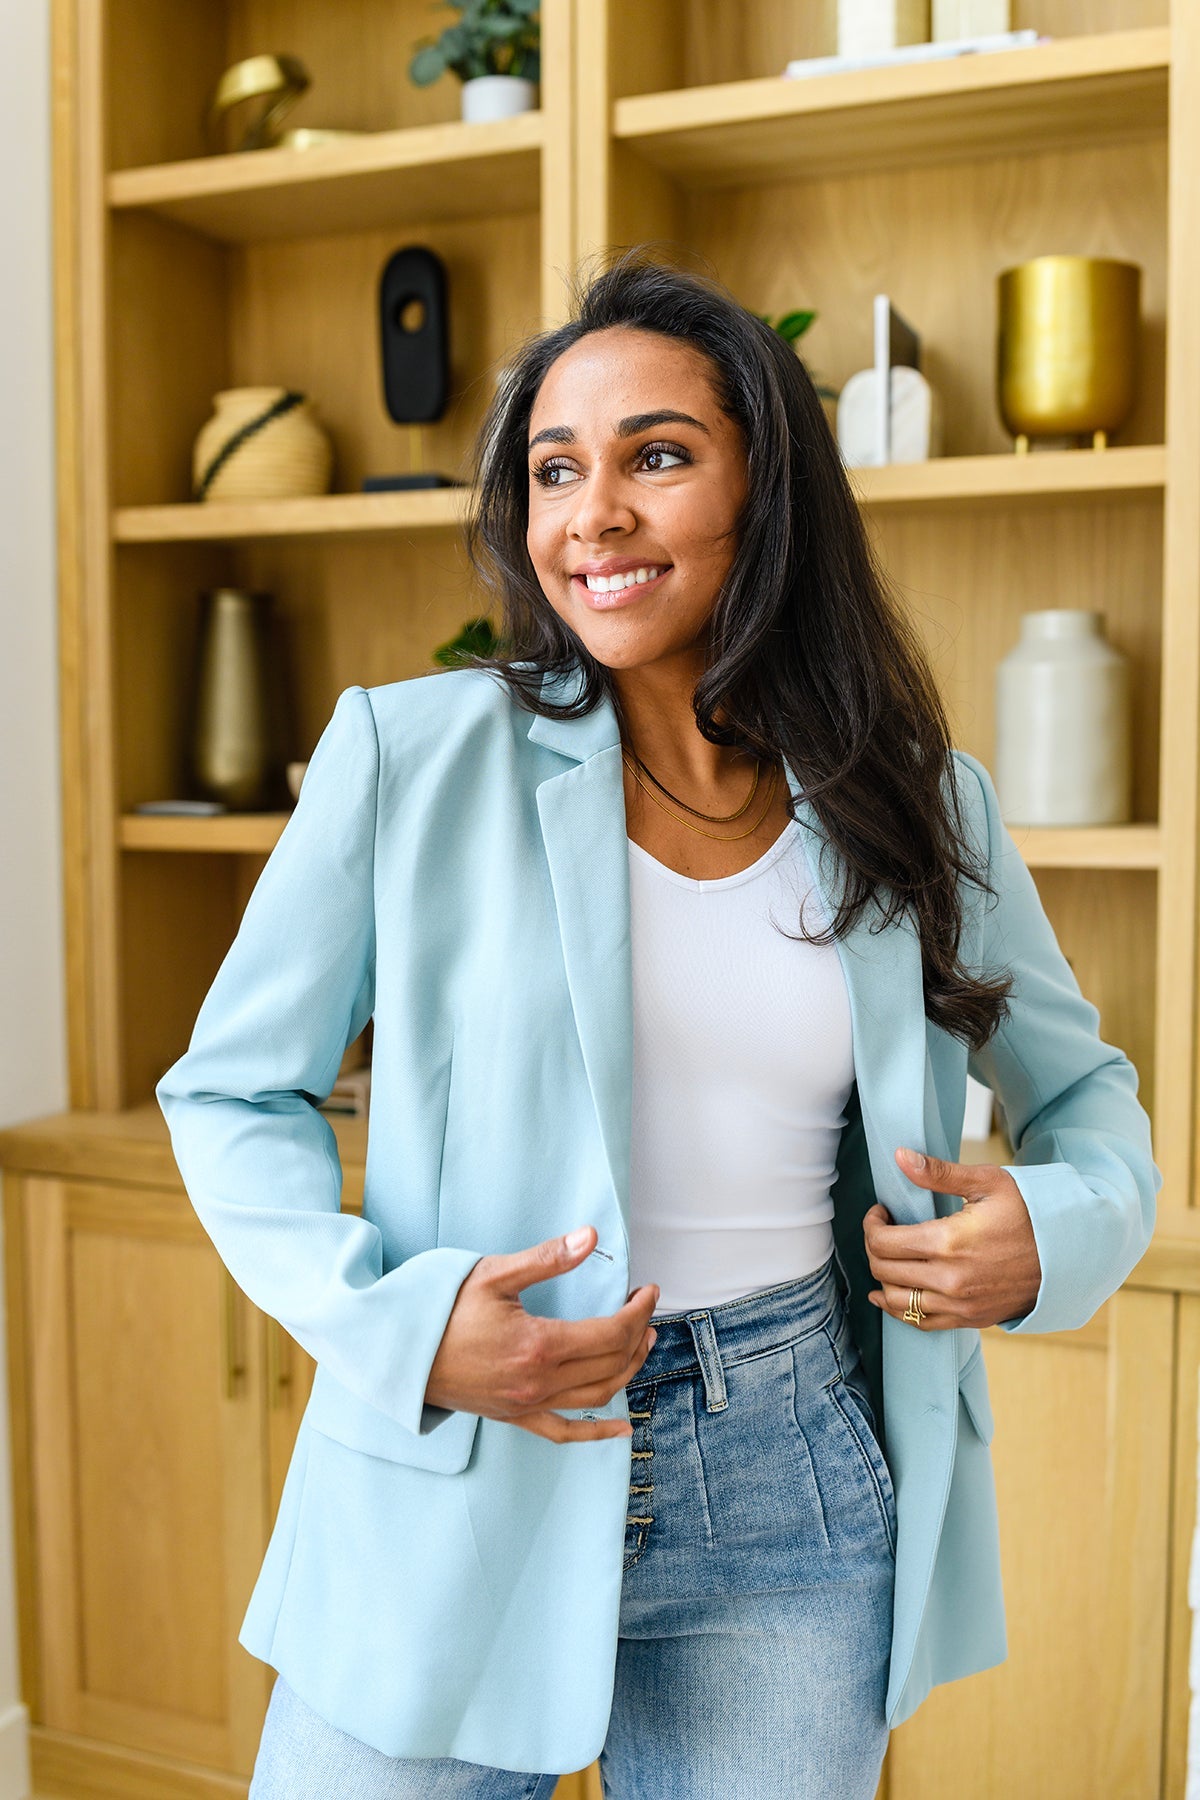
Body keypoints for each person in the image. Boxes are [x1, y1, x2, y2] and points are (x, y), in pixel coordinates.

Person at [156, 248, 1161, 1799]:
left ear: (769, 493)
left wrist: (1056, 1228)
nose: (593, 514)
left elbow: (1088, 1100)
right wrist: (404, 1326)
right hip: (476, 1449)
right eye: (556, 469)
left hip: (794, 1489)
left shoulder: (919, 800)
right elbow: (230, 1096)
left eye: (659, 457)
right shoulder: (408, 758)